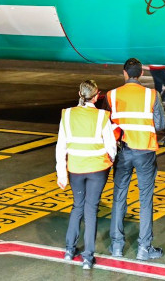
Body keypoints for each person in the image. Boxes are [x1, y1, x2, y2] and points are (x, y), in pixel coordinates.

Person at [108, 58, 165, 261]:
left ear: (124, 73)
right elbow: (159, 124)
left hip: (122, 151)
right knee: (145, 199)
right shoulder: (152, 95)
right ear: (141, 74)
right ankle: (144, 248)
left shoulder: (112, 95)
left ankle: (116, 246)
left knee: (119, 197)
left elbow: (107, 125)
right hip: (145, 152)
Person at [56, 80, 117, 270]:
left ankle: (69, 249)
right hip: (98, 169)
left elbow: (61, 146)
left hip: (75, 168)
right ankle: (88, 257)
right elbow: (111, 146)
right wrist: (111, 159)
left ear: (79, 93)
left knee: (77, 207)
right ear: (97, 95)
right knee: (91, 210)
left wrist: (61, 173)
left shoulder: (67, 115)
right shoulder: (101, 116)